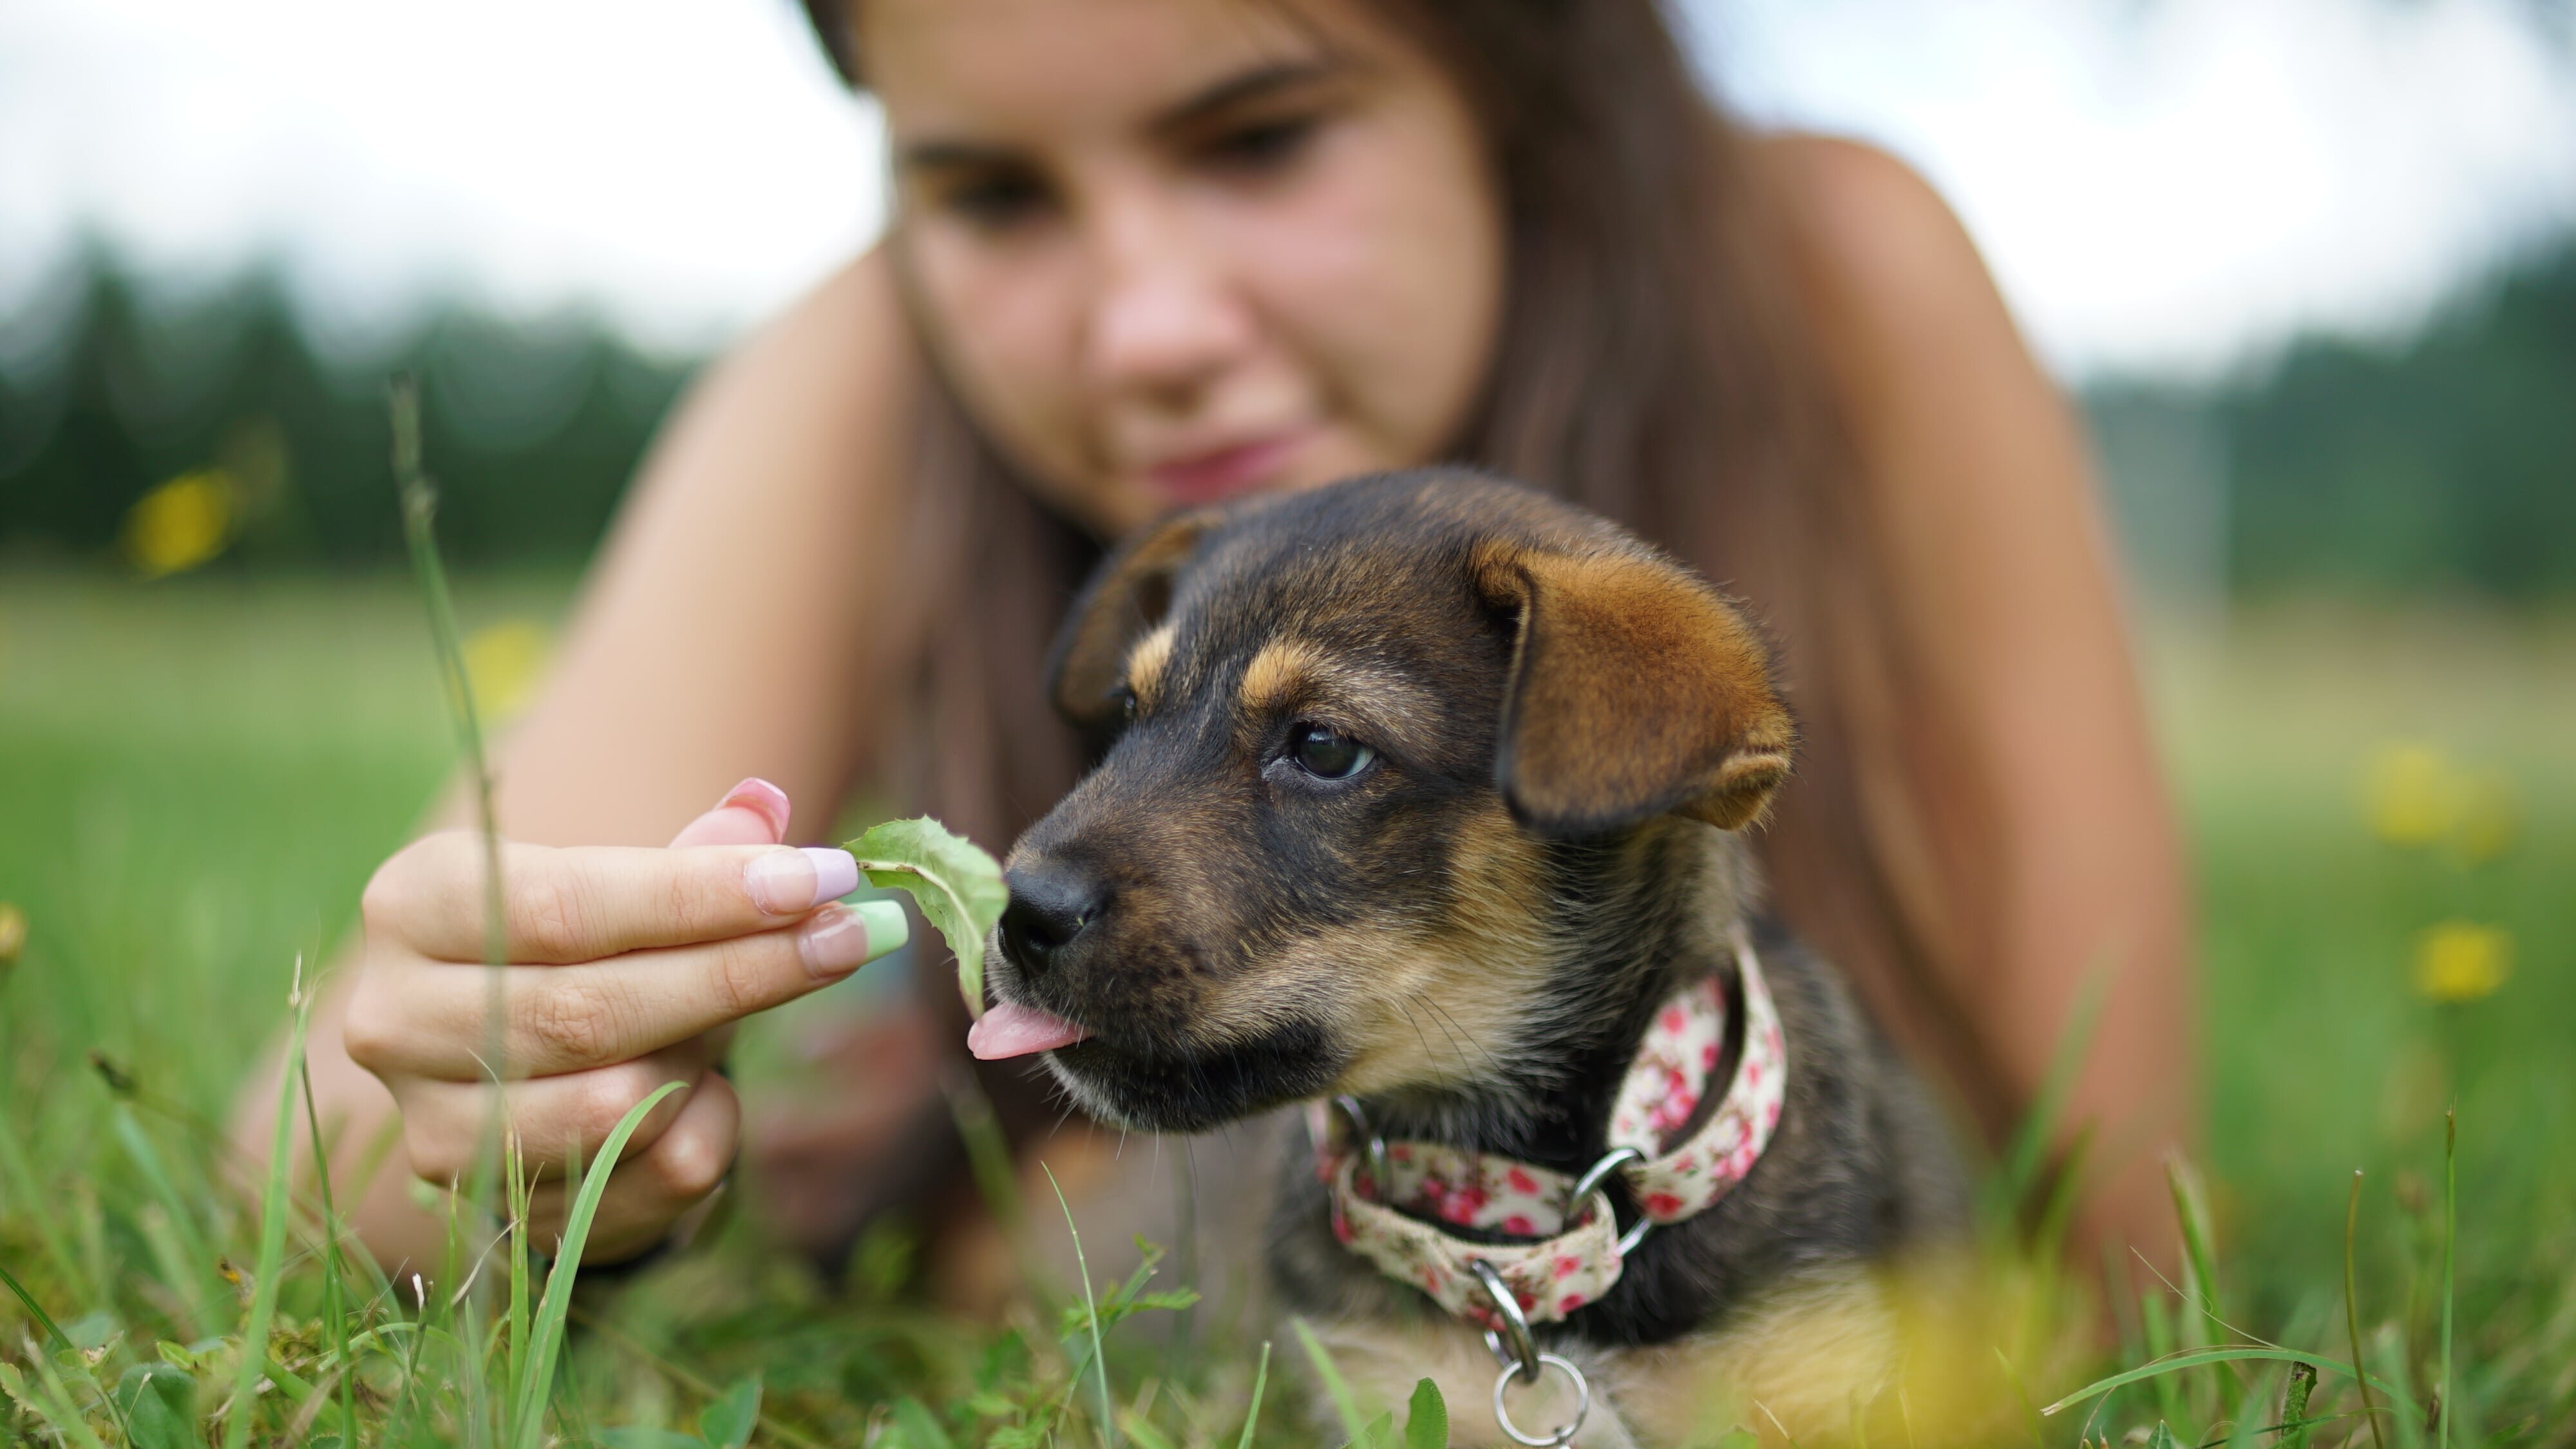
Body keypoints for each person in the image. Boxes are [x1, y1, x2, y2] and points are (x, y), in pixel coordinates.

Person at [234, 0, 2190, 1284]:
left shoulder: (1830, 281)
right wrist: (502, 1098)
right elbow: (308, 1171)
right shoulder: (867, 378)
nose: (1149, 323)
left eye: (1259, 137)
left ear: (1511, 73)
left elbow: (2116, 1238)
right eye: (992, 193)